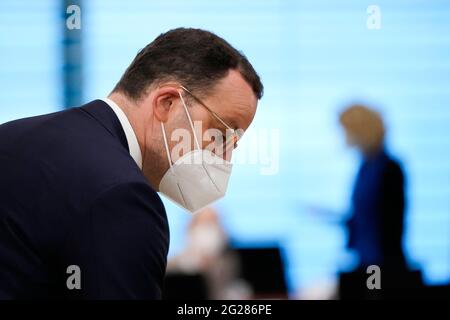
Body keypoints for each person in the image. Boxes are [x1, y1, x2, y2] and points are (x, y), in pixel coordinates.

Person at [0, 28, 263, 299]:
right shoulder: (124, 197)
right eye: (219, 135)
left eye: (234, 144)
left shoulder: (12, 136)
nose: (224, 158)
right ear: (167, 103)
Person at [339, 104, 407, 271]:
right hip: (365, 260)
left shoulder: (389, 169)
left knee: (373, 292)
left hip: (380, 264)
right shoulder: (365, 167)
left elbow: (389, 226)